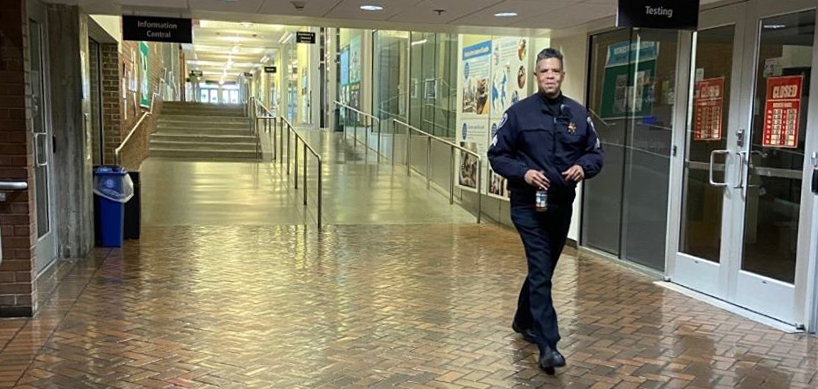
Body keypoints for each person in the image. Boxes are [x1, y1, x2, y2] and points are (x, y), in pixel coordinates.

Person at [487, 48, 603, 374]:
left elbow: (595, 153)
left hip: (560, 205)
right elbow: (497, 155)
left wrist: (583, 166)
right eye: (543, 71)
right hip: (528, 204)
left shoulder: (579, 115)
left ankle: (523, 318)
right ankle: (548, 345)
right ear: (536, 76)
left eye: (555, 71)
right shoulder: (519, 114)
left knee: (545, 268)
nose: (549, 75)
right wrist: (523, 172)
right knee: (540, 268)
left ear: (562, 75)